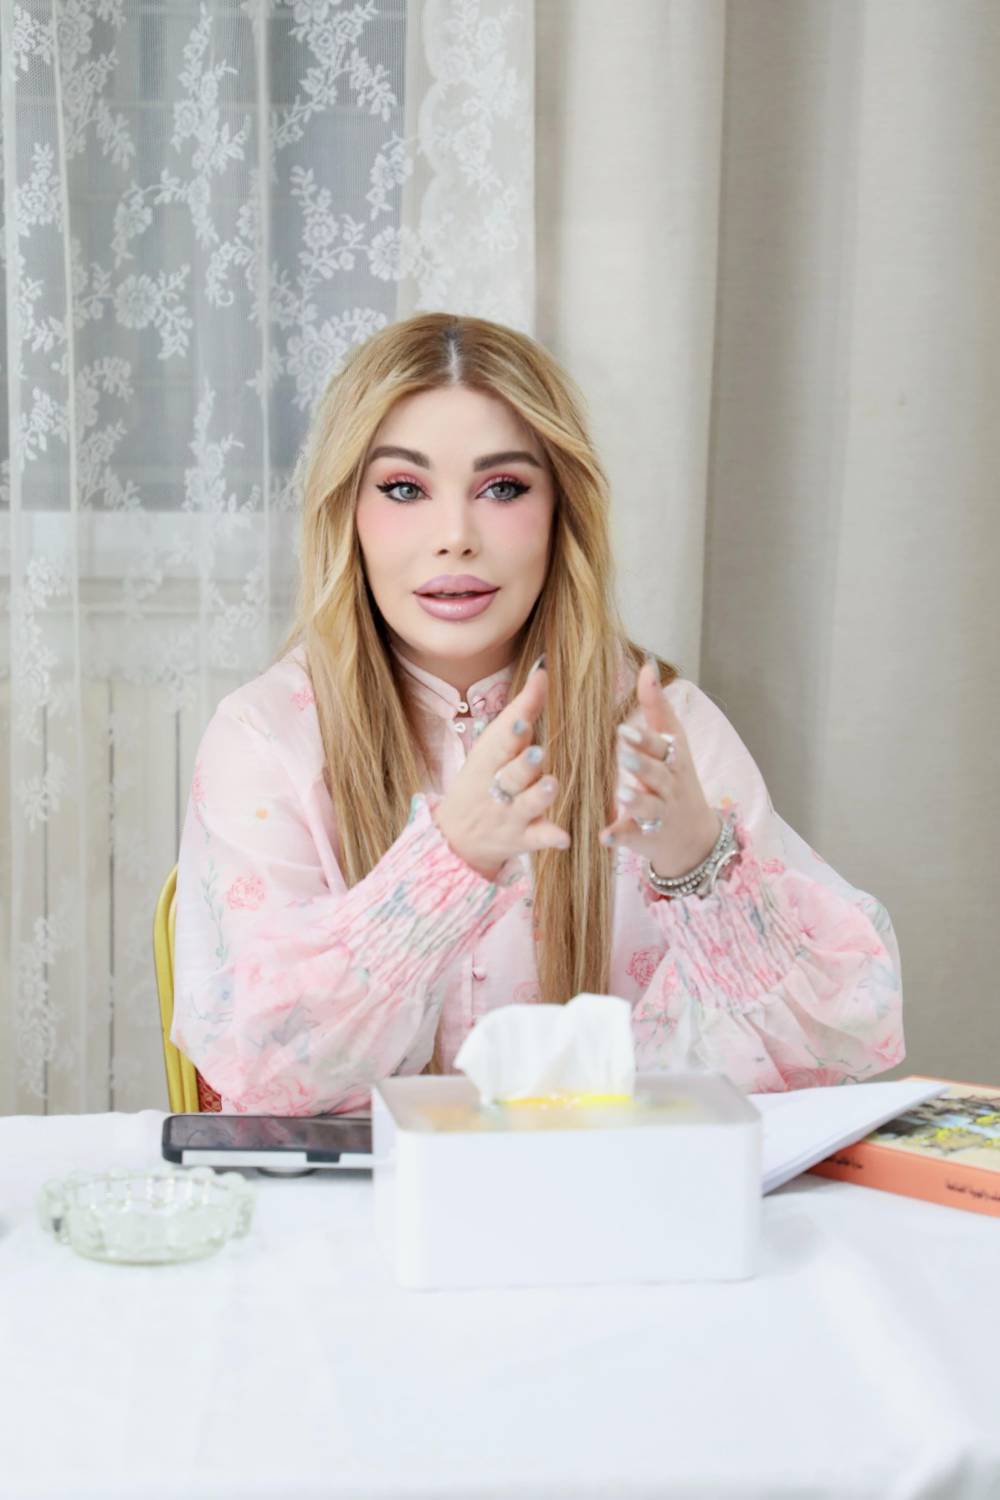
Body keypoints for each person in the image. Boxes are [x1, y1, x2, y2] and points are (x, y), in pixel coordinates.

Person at [172, 312, 904, 1115]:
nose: (455, 537)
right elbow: (262, 1076)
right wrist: (443, 869)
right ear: (346, 510)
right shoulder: (266, 739)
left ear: (562, 511)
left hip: (609, 1192)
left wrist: (698, 865)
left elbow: (828, 1049)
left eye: (504, 489)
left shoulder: (663, 731)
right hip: (369, 1195)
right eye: (405, 488)